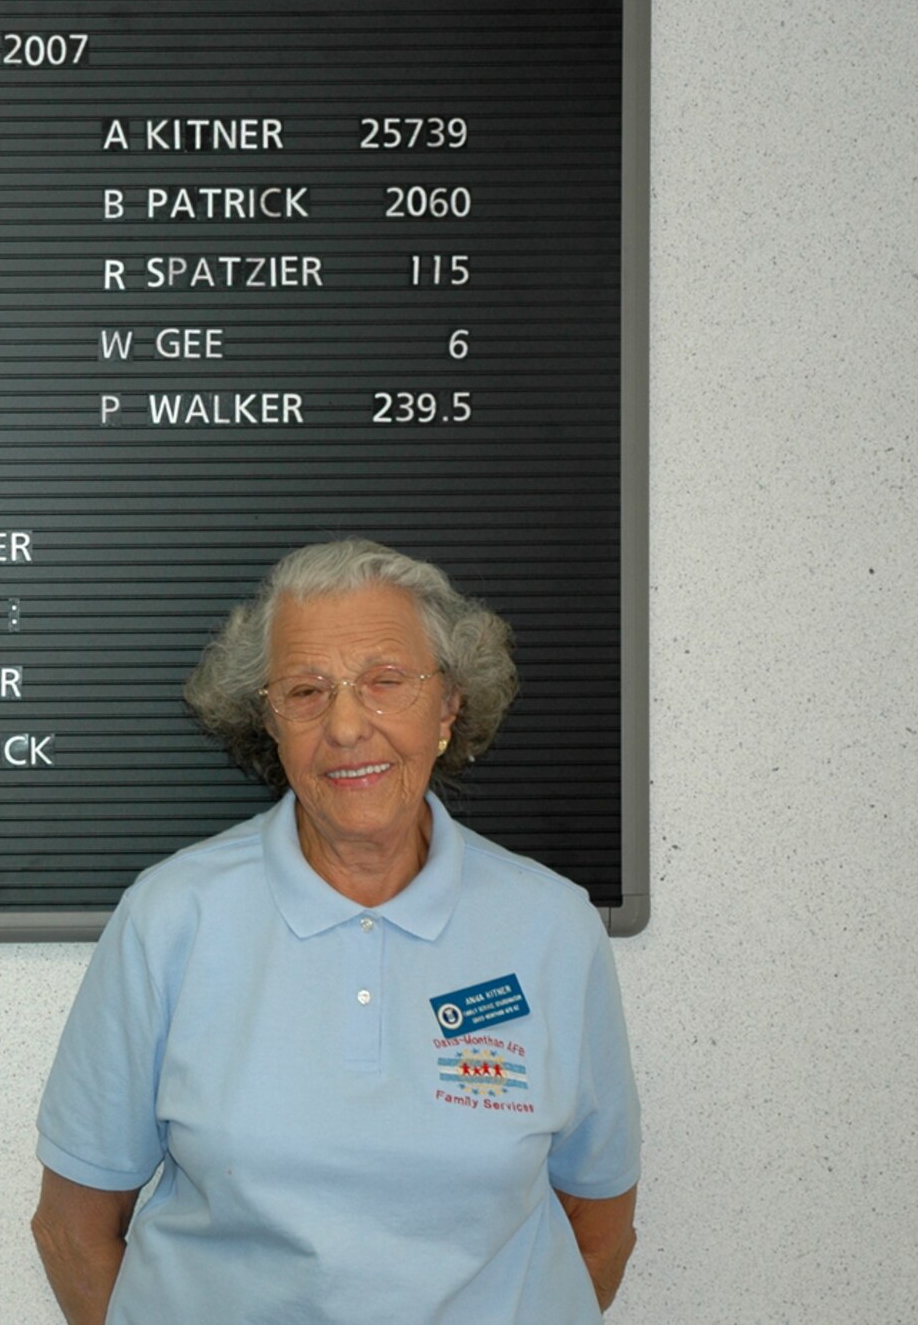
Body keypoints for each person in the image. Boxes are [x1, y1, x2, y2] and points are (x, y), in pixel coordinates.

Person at [33, 539, 639, 1323]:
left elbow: (601, 1227)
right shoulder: (170, 917)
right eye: (307, 690)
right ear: (269, 719)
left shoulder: (552, 926)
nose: (348, 725)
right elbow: (72, 1229)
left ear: (448, 704)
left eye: (386, 681)